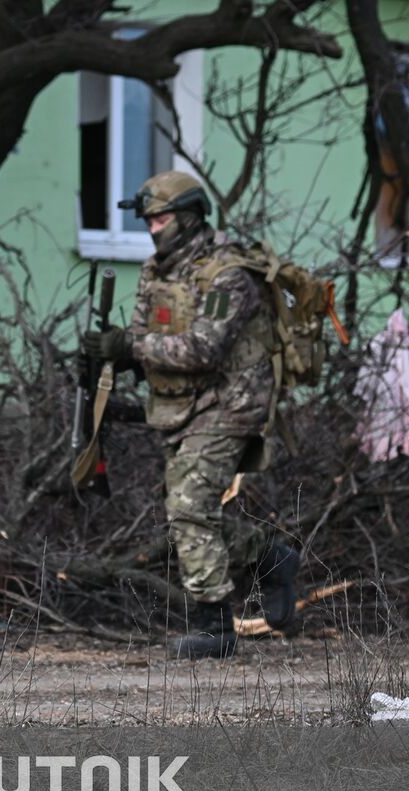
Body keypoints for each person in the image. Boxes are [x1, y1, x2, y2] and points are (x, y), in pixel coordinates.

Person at [83, 171, 298, 660]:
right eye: (149, 220)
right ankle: (270, 557)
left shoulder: (228, 274)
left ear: (188, 216)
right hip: (184, 406)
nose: (152, 228)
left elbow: (204, 347)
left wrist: (130, 344)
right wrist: (113, 355)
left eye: (160, 218)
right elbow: (148, 341)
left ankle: (215, 625)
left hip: (230, 405)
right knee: (189, 511)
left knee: (188, 505)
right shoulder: (157, 272)